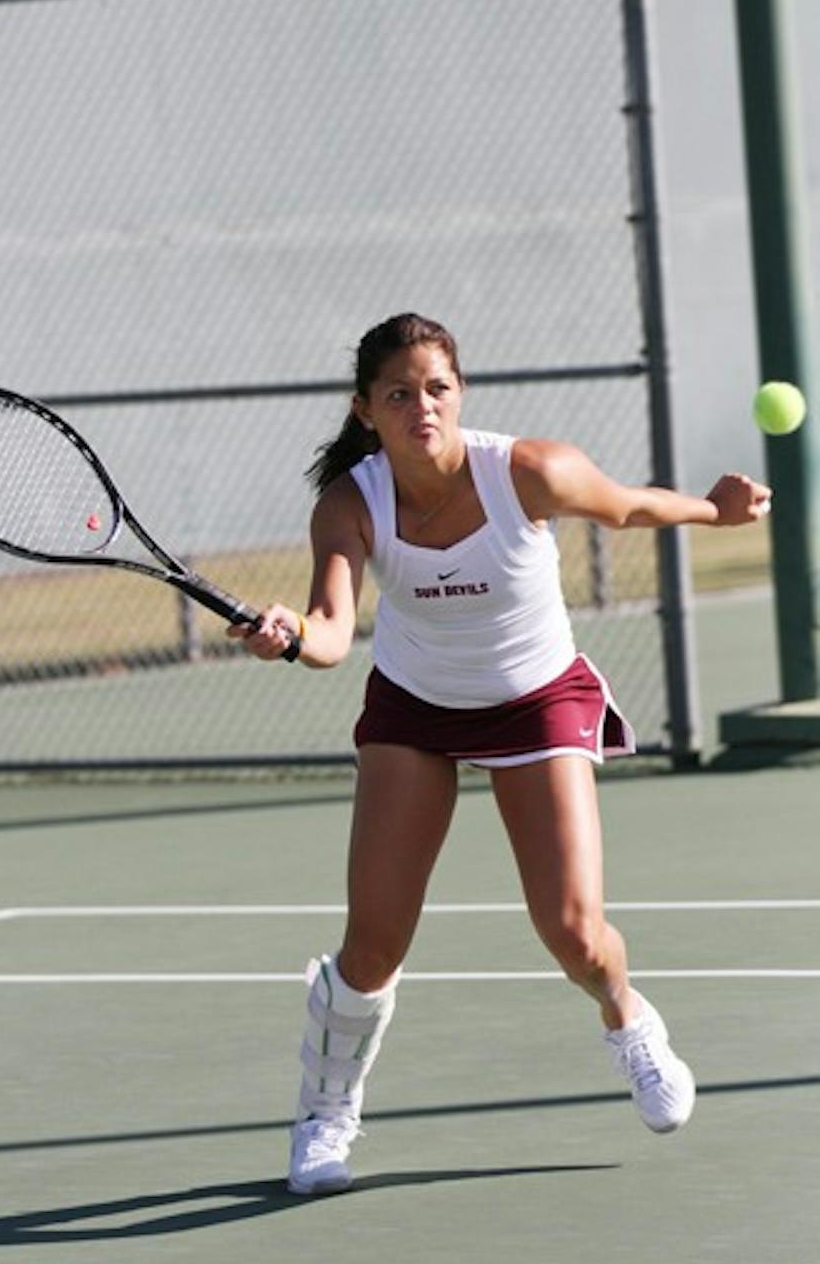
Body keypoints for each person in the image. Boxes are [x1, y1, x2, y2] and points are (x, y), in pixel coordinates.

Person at [228, 312, 771, 1197]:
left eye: (436, 388)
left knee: (575, 934)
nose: (421, 408)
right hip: (414, 708)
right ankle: (325, 1116)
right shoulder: (348, 504)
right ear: (366, 409)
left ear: (460, 392)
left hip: (535, 703)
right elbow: (331, 632)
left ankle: (627, 1018)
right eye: (399, 394)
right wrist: (289, 634)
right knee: (371, 946)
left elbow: (629, 507)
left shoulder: (527, 471)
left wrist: (716, 509)